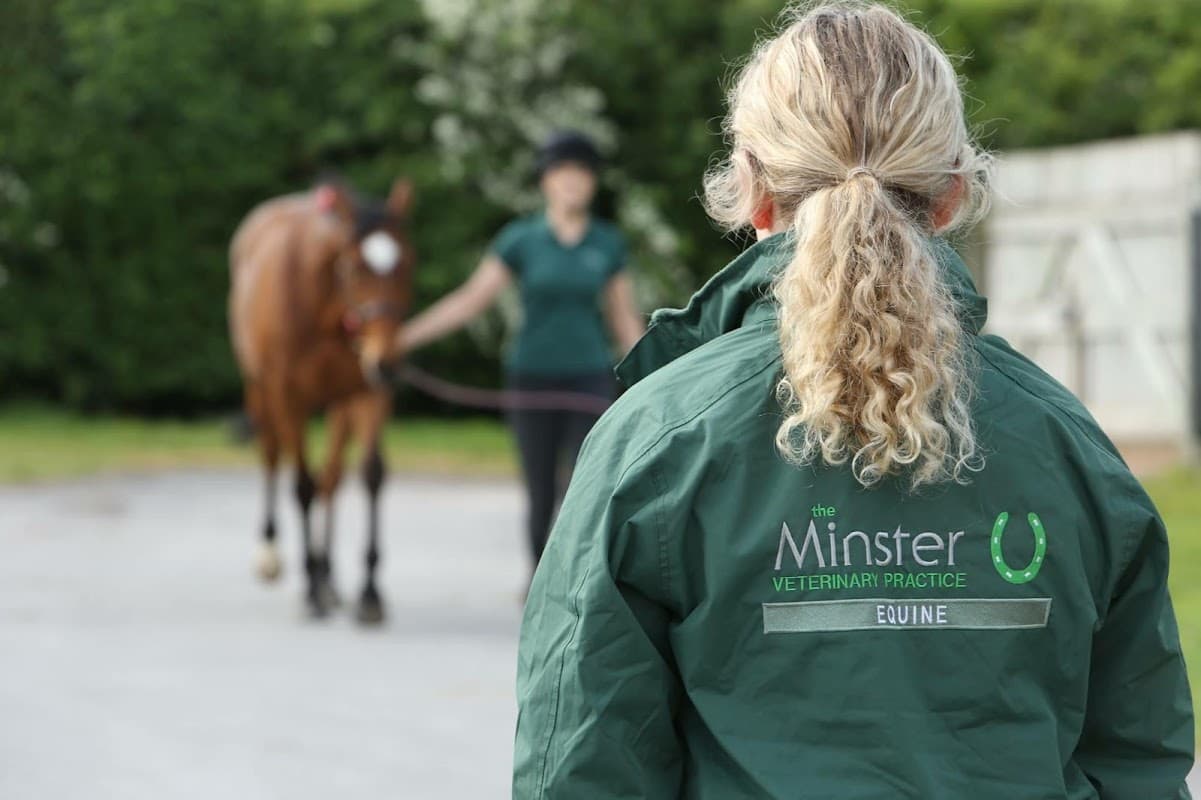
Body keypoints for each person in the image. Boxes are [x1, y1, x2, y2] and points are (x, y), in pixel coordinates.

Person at [513, 4, 1194, 798]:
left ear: (751, 188)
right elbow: (1137, 763)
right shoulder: (1065, 442)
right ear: (950, 193)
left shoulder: (657, 443)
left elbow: (580, 770)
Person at [395, 131, 644, 570]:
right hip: (531, 376)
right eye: (562, 173)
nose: (572, 182)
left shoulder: (607, 244)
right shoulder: (521, 240)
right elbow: (471, 299)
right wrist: (403, 338)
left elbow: (624, 319)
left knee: (584, 486)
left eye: (581, 174)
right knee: (540, 489)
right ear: (544, 181)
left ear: (593, 183)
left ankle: (577, 580)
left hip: (588, 377)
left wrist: (658, 375)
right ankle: (538, 578)